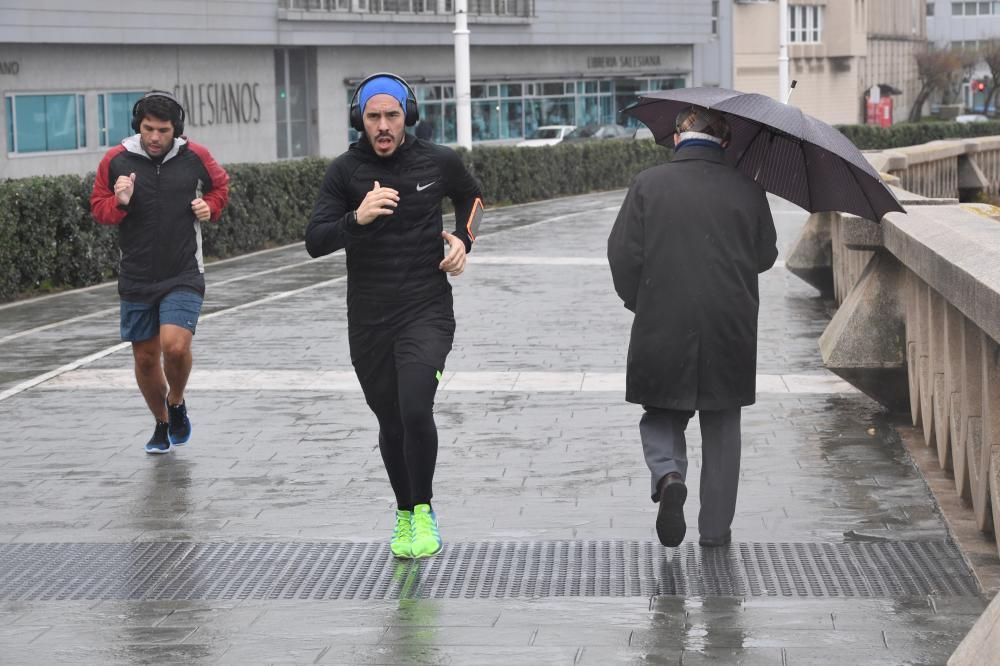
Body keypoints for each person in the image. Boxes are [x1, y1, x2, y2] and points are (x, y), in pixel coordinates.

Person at [305, 73, 484, 560]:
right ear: (359, 120)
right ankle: (404, 512)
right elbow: (314, 240)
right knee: (390, 420)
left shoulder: (438, 160)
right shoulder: (345, 172)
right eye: (373, 117)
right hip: (368, 318)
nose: (383, 126)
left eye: (392, 116)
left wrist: (462, 240)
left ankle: (423, 509)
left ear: (409, 116)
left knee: (414, 406)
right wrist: (356, 218)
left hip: (425, 308)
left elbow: (474, 200)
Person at [607, 106, 778, 549]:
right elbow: (765, 256)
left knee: (661, 412)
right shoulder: (748, 187)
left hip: (663, 317)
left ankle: (668, 475)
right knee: (723, 427)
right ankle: (715, 531)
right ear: (724, 141)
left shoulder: (648, 184)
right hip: (730, 323)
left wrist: (639, 302)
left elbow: (622, 254)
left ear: (679, 136)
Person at [90, 90, 230, 455]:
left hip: (183, 269)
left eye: (163, 130)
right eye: (148, 128)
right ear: (139, 126)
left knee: (175, 345)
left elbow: (221, 186)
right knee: (146, 358)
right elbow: (98, 209)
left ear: (176, 130)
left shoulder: (195, 156)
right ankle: (162, 422)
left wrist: (209, 206)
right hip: (136, 275)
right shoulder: (115, 160)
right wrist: (118, 202)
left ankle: (177, 399)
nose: (154, 137)